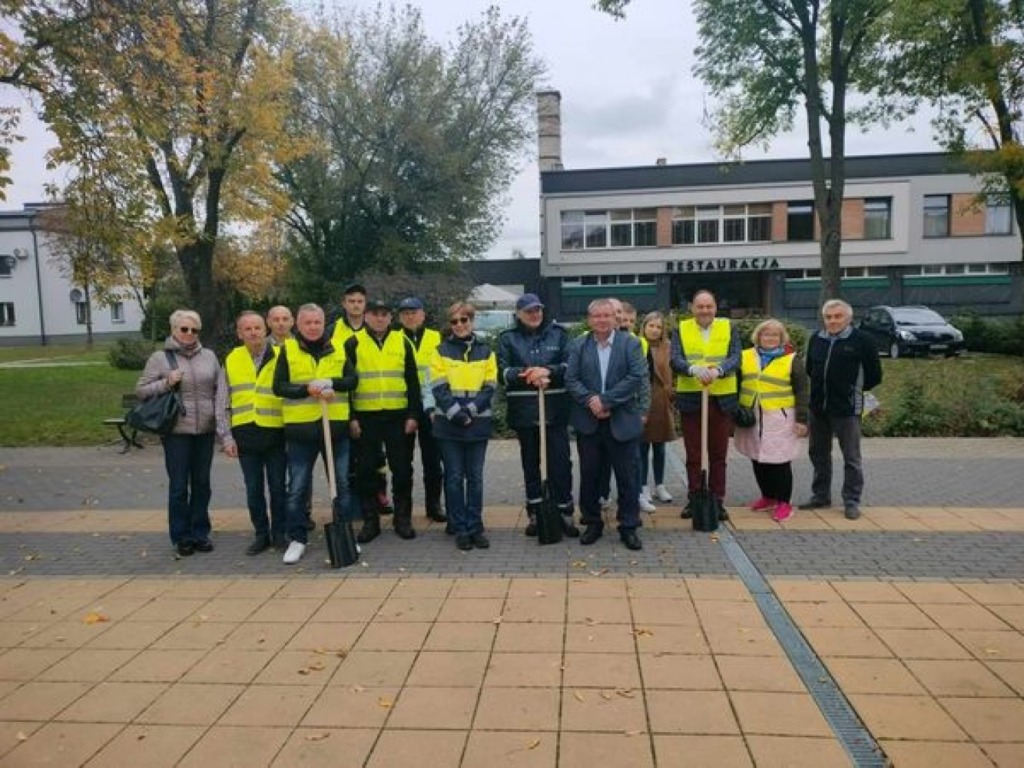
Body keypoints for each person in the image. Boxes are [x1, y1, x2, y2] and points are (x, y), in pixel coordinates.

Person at [136, 309, 230, 557]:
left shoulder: (209, 356)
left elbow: (220, 390)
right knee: (179, 486)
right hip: (177, 431)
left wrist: (222, 425)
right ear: (173, 330)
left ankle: (200, 533)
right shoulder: (160, 358)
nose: (189, 334)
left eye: (194, 330)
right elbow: (141, 390)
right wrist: (166, 382)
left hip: (205, 430)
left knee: (202, 484)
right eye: (184, 329)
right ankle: (181, 536)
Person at [273, 303, 358, 564]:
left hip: (335, 430)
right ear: (298, 325)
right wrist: (306, 389)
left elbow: (353, 381)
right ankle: (297, 539)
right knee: (297, 488)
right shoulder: (288, 350)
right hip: (301, 432)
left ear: (324, 324)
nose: (312, 327)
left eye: (317, 322)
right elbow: (279, 387)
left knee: (341, 485)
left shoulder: (339, 348)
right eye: (307, 323)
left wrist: (332, 383)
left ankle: (345, 534)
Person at [566, 297, 648, 551]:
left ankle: (629, 526)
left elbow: (636, 377)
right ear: (589, 320)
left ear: (615, 318)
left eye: (607, 316)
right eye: (596, 316)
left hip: (621, 420)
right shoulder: (579, 345)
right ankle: (592, 522)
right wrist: (591, 400)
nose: (602, 320)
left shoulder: (630, 344)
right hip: (589, 422)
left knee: (628, 477)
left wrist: (606, 401)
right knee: (590, 476)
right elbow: (571, 378)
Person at [497, 292, 578, 538]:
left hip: (555, 411)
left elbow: (569, 366)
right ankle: (535, 511)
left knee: (560, 463)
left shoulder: (559, 335)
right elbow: (502, 371)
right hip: (524, 412)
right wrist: (528, 374)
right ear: (519, 314)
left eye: (538, 310)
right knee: (531, 464)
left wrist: (548, 371)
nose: (535, 315)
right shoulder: (508, 339)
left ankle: (564, 511)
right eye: (529, 311)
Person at [800, 299, 883, 520]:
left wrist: (851, 390)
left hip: (847, 408)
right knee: (818, 454)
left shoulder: (863, 340)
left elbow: (874, 375)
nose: (833, 321)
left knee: (851, 457)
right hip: (818, 407)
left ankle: (851, 500)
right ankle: (820, 495)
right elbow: (810, 369)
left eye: (838, 317)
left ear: (848, 318)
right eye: (828, 317)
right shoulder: (816, 339)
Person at [348, 299, 422, 542]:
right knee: (366, 470)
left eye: (384, 314)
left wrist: (413, 414)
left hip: (398, 417)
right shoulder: (353, 343)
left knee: (402, 469)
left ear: (391, 318)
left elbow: (413, 382)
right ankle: (371, 521)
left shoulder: (403, 341)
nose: (379, 318)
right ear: (366, 317)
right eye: (375, 314)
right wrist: (352, 417)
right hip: (366, 417)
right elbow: (347, 385)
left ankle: (402, 519)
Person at [430, 302, 498, 550]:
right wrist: (456, 414)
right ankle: (459, 528)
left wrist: (469, 411)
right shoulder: (440, 351)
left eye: (464, 320)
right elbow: (439, 387)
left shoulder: (487, 351)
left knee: (476, 478)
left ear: (472, 321)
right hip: (449, 426)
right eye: (454, 321)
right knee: (454, 477)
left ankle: (475, 526)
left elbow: (490, 386)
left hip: (477, 423)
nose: (459, 325)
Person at [670, 289, 741, 521]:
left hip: (721, 398)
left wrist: (718, 371)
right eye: (700, 306)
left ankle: (717, 500)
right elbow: (675, 359)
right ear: (692, 308)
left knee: (718, 454)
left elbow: (736, 357)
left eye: (708, 306)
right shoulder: (681, 328)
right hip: (691, 396)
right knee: (694, 453)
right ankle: (695, 497)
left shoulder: (728, 327)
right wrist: (693, 369)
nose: (704, 311)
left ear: (715, 307)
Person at [223, 311, 287, 554]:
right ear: (240, 334)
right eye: (247, 329)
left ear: (266, 330)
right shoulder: (231, 359)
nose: (253, 333)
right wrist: (227, 437)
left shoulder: (281, 355)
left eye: (257, 328)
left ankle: (280, 533)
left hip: (275, 432)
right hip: (245, 433)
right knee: (254, 489)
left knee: (279, 486)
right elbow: (223, 400)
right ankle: (261, 534)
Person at [733, 319, 809, 522]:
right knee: (757, 457)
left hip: (780, 418)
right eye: (766, 334)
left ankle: (784, 502)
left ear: (781, 338)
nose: (770, 338)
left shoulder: (792, 359)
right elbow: (736, 382)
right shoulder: (745, 356)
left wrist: (802, 419)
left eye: (775, 335)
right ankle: (768, 496)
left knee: (779, 461)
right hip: (752, 416)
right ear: (758, 336)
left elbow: (802, 390)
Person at [397, 296, 446, 523]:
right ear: (399, 317)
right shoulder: (394, 339)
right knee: (402, 462)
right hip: (404, 406)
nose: (410, 316)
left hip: (431, 405)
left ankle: (434, 505)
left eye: (414, 311)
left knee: (433, 460)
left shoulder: (437, 338)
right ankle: (404, 510)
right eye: (405, 313)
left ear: (423, 314)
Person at [639, 311, 676, 508]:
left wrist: (672, 392)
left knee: (660, 446)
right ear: (644, 326)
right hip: (644, 401)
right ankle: (643, 486)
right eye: (651, 326)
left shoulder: (669, 347)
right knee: (642, 446)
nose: (654, 330)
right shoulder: (636, 345)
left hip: (662, 401)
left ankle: (660, 485)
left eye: (658, 327)